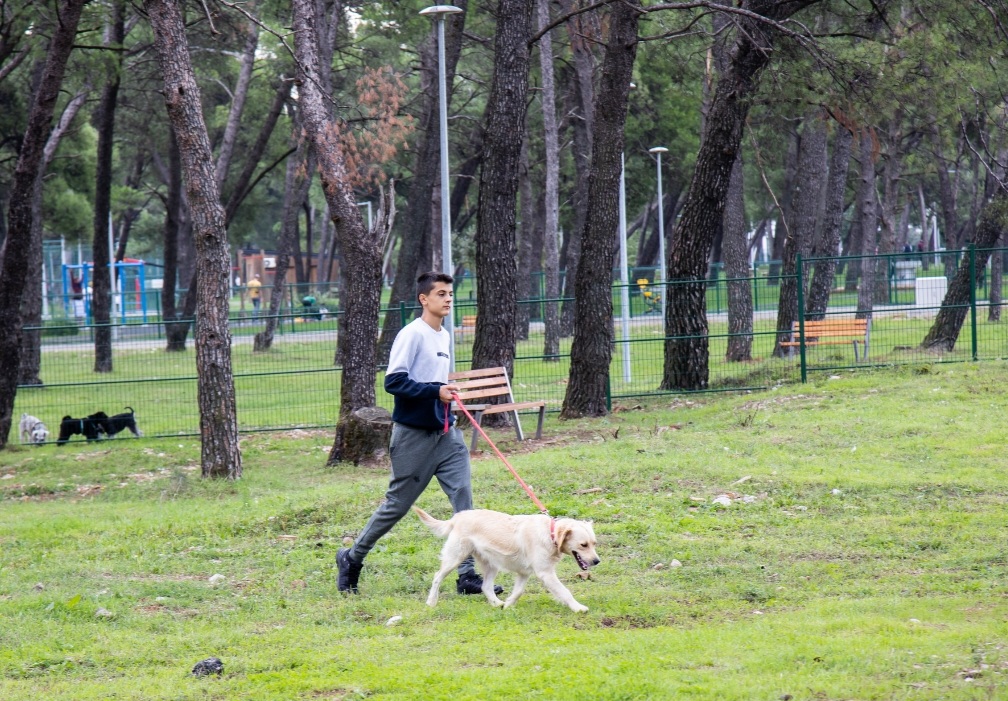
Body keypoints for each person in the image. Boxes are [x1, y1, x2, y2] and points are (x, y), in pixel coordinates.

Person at [337, 271, 502, 597]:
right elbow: (393, 382)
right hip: (413, 437)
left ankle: (466, 576)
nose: (448, 299)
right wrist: (434, 391)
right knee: (397, 505)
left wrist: (446, 397)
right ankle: (352, 558)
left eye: (450, 294)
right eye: (441, 294)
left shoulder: (444, 335)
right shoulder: (411, 334)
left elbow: (435, 385)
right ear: (424, 299)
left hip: (446, 434)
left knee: (464, 502)